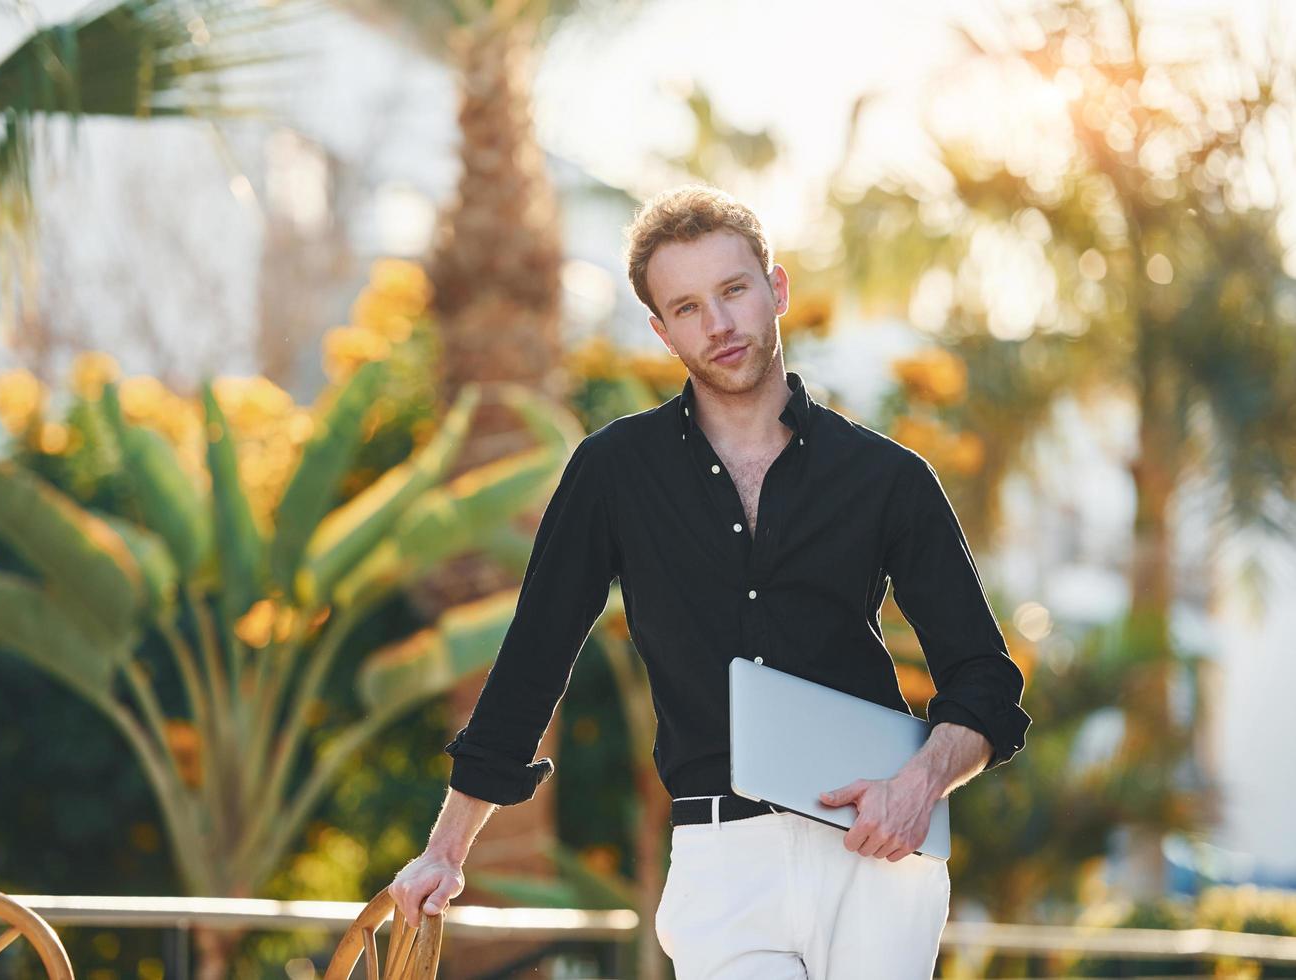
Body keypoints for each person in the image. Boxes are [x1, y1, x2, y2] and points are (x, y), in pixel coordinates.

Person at [387, 184, 1031, 977]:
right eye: (687, 307)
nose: (719, 325)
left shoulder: (888, 478)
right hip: (722, 865)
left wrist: (920, 784)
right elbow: (534, 658)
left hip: (876, 859)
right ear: (661, 330)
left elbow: (985, 681)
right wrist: (445, 851)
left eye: (733, 291)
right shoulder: (615, 472)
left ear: (776, 289)